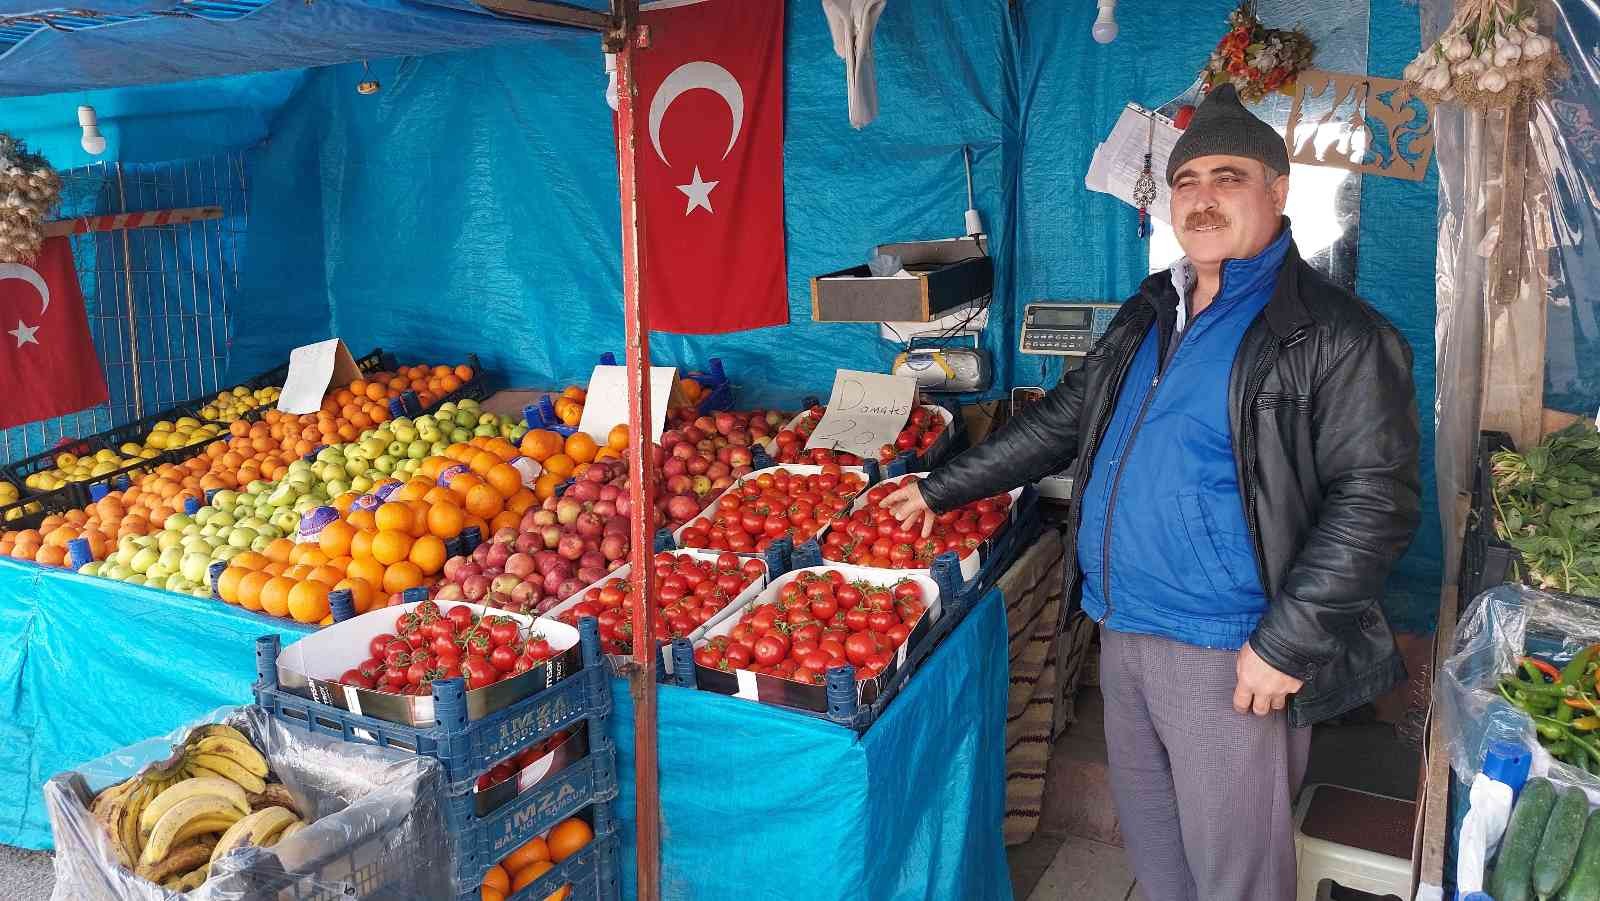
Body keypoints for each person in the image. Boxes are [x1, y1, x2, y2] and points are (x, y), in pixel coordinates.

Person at [883, 84, 1421, 900]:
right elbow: (1069, 415)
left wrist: (1287, 643)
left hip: (1230, 648)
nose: (1201, 198)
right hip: (1122, 628)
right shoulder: (1151, 310)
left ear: (1278, 191)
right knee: (1158, 850)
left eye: (1228, 177)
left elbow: (1374, 501)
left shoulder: (1337, 333)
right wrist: (942, 487)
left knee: (1234, 873)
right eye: (1186, 180)